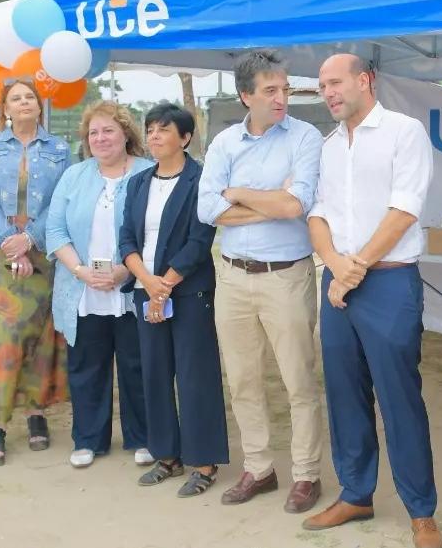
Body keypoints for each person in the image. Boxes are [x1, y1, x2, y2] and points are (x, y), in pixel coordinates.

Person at [303, 54, 442, 548]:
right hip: (339, 281)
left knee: (399, 397)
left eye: (335, 83)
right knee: (344, 394)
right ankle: (356, 494)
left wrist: (354, 267)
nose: (329, 93)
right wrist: (335, 268)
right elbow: (315, 214)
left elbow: (404, 209)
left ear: (365, 80)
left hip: (388, 284)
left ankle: (421, 510)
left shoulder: (403, 132)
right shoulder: (327, 146)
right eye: (322, 86)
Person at [197, 51, 325, 513]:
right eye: (270, 90)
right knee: (243, 380)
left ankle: (307, 473)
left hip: (286, 277)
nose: (281, 98)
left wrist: (237, 193)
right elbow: (205, 209)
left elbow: (297, 206)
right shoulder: (225, 143)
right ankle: (259, 468)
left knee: (299, 381)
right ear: (245, 95)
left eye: (285, 89)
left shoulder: (306, 137)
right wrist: (268, 200)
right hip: (232, 276)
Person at [119, 103, 228, 497]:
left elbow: (200, 241)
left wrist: (164, 284)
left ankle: (204, 461)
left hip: (188, 292)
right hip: (145, 292)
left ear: (185, 138)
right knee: (155, 373)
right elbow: (127, 240)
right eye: (150, 130)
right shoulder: (138, 182)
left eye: (163, 130)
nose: (153, 136)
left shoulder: (200, 180)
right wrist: (148, 283)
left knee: (196, 377)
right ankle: (167, 455)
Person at [46, 101, 155, 469]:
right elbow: (55, 230)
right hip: (83, 289)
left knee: (136, 364)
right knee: (86, 365)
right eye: (93, 132)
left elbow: (154, 230)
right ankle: (88, 439)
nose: (100, 138)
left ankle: (142, 437)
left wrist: (126, 271)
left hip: (131, 287)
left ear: (126, 133)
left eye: (108, 130)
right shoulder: (74, 176)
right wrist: (80, 271)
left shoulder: (148, 172)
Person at [0, 79, 72, 465]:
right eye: (17, 98)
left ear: (39, 107)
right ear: (5, 109)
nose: (25, 102)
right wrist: (10, 240)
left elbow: (65, 197)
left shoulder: (60, 150)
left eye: (30, 97)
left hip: (44, 246)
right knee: (2, 333)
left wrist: (29, 239)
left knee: (41, 332)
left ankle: (35, 412)